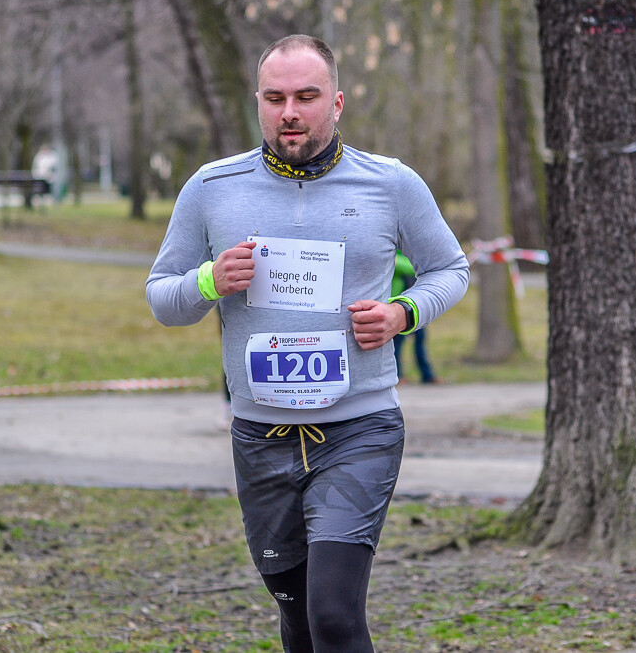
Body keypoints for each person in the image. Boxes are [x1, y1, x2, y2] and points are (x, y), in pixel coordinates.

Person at [147, 34, 469, 651]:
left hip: (360, 427)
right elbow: (163, 298)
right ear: (259, 103)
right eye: (275, 98)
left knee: (334, 616)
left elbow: (451, 270)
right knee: (298, 621)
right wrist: (211, 280)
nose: (289, 111)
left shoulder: (391, 184)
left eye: (306, 96)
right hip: (258, 437)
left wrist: (402, 314)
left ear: (338, 102)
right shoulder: (213, 188)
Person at [391, 251, 439, 384]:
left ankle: (427, 375)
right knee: (397, 344)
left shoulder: (411, 252)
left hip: (415, 307)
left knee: (420, 340)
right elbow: (409, 267)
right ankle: (398, 375)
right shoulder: (393, 256)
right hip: (396, 307)